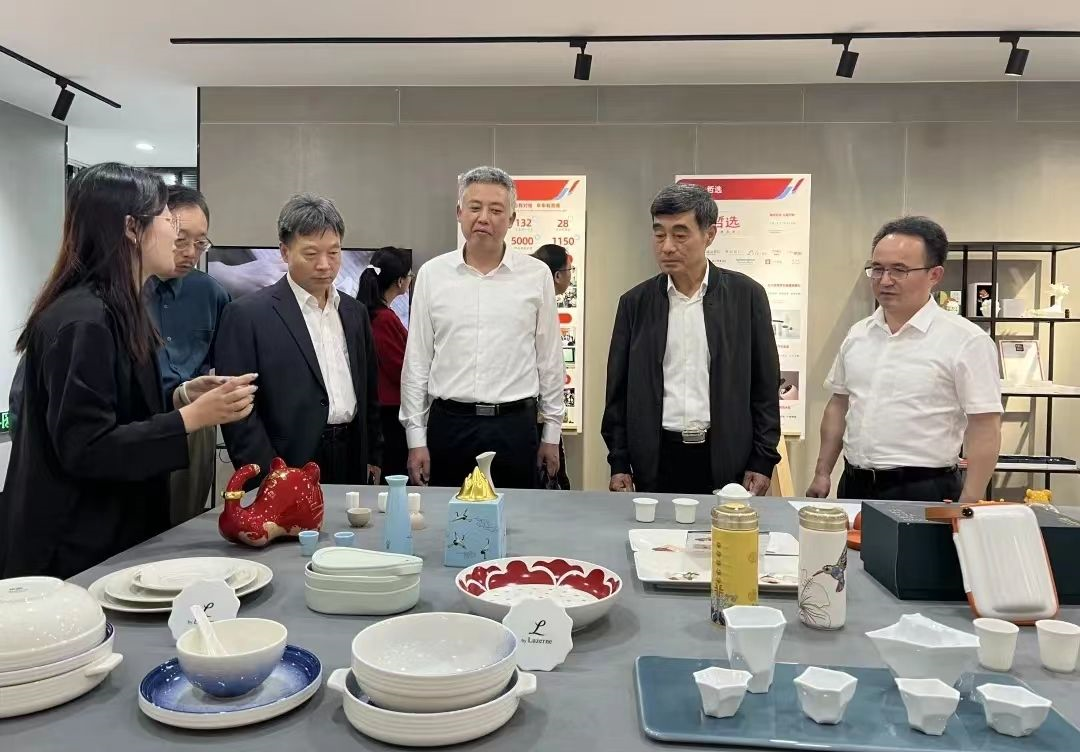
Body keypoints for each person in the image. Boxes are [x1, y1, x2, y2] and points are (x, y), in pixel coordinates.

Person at [0, 163, 256, 578]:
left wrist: (182, 396)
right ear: (132, 229)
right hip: (76, 548)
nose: (178, 237)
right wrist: (189, 418)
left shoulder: (119, 309)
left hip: (113, 534)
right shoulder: (84, 319)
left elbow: (118, 410)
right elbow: (87, 446)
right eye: (169, 222)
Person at [807, 216, 1002, 504]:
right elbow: (839, 404)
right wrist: (822, 471)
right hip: (855, 483)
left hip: (925, 487)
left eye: (899, 270)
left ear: (934, 275)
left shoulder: (966, 340)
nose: (885, 280)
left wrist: (969, 501)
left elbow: (985, 425)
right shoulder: (859, 334)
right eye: (877, 269)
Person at [602, 183, 781, 495]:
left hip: (726, 457)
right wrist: (619, 462)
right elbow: (617, 394)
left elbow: (765, 388)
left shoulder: (747, 296)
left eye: (680, 235)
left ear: (709, 234)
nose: (667, 247)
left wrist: (763, 459)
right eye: (659, 234)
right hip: (657, 459)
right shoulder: (635, 303)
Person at [401, 166, 564, 490]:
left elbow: (550, 360)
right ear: (459, 212)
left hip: (515, 427)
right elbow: (417, 361)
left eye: (496, 210)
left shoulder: (536, 276)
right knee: (448, 518)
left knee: (517, 516)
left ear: (512, 218)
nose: (484, 218)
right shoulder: (433, 275)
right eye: (475, 207)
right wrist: (415, 438)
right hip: (450, 425)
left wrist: (552, 434)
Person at [215, 193, 382, 487]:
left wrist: (372, 456)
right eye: (311, 254)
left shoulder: (354, 312)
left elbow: (368, 391)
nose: (324, 265)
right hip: (286, 461)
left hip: (350, 455)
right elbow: (238, 411)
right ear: (284, 252)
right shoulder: (247, 315)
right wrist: (267, 475)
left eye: (334, 253)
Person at [145, 185, 231, 526]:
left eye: (200, 243)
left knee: (185, 523)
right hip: (139, 422)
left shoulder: (210, 293)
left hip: (193, 425)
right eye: (181, 240)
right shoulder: (124, 293)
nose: (191, 253)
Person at [356, 248, 412, 479]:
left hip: (381, 409)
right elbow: (400, 367)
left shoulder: (369, 313)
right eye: (409, 275)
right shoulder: (384, 319)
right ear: (400, 281)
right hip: (390, 412)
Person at [531, 243, 573, 489]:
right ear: (557, 276)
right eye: (569, 270)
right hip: (535, 418)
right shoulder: (539, 307)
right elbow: (548, 368)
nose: (570, 276)